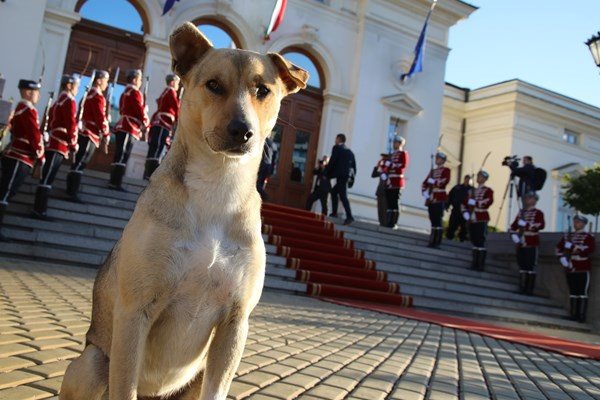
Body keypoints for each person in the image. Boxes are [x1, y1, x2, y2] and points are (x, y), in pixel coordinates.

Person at [0, 79, 44, 241]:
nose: (38, 95)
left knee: (6, 192)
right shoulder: (27, 109)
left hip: (19, 155)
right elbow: (33, 134)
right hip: (19, 156)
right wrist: (41, 154)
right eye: (36, 92)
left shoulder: (23, 108)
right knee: (5, 192)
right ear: (27, 92)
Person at [31, 74, 79, 220]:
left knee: (46, 177)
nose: (77, 89)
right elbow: (71, 123)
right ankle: (40, 210)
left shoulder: (58, 101)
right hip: (59, 144)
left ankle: (39, 209)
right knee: (47, 178)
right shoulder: (69, 101)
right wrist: (73, 142)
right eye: (76, 86)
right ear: (69, 86)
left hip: (52, 142)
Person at [67, 70, 110, 203]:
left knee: (78, 162)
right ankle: (72, 191)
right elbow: (99, 116)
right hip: (89, 133)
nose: (106, 84)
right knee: (80, 163)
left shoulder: (88, 95)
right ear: (98, 80)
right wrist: (105, 132)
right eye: (105, 80)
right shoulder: (97, 96)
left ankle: (71, 189)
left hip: (84, 132)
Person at [110, 69, 148, 191]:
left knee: (119, 154)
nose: (141, 81)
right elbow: (138, 109)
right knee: (123, 155)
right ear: (134, 79)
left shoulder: (124, 92)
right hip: (129, 127)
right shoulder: (135, 93)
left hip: (123, 124)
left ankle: (113, 180)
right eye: (139, 79)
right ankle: (116, 182)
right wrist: (145, 120)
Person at [556, 215, 595, 323]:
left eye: (578, 222)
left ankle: (581, 316)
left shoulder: (588, 237)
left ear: (583, 224)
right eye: (575, 221)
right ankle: (573, 314)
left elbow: (588, 250)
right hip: (570, 266)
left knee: (582, 293)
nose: (576, 224)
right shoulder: (568, 236)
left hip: (582, 267)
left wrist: (573, 246)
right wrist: (562, 259)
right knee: (573, 292)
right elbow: (558, 248)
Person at [144, 74, 180, 180]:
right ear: (172, 83)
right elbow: (176, 107)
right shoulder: (171, 92)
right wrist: (179, 119)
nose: (178, 86)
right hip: (163, 123)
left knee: (155, 147)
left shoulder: (165, 92)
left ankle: (148, 173)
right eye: (177, 83)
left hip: (160, 122)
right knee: (158, 147)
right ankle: (151, 173)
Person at [509, 192, 545, 295]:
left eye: (530, 198)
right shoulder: (521, 213)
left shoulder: (538, 213)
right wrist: (515, 237)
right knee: (522, 265)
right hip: (521, 242)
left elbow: (541, 225)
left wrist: (527, 225)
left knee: (530, 266)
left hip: (531, 241)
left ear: (535, 200)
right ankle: (522, 287)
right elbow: (513, 227)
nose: (528, 199)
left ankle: (529, 289)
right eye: (527, 198)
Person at [462, 171, 493, 270]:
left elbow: (488, 201)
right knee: (474, 240)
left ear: (484, 179)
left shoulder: (488, 190)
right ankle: (474, 263)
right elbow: (464, 203)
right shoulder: (471, 191)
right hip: (472, 217)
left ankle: (480, 264)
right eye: (478, 176)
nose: (479, 178)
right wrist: (465, 213)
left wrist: (476, 202)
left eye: (481, 176)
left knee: (480, 240)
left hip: (481, 216)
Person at [325, 133, 356, 225]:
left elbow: (332, 161)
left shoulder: (337, 148)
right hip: (346, 177)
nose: (335, 140)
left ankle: (349, 216)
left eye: (336, 138)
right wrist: (351, 179)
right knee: (334, 192)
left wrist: (326, 174)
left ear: (339, 139)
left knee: (343, 196)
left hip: (341, 176)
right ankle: (334, 213)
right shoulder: (350, 152)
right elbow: (354, 167)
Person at [422, 152, 450, 248]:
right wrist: (425, 193)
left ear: (443, 160)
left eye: (438, 158)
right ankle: (432, 240)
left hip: (439, 196)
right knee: (432, 219)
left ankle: (437, 241)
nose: (437, 159)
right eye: (436, 158)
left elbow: (445, 180)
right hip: (431, 198)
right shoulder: (432, 171)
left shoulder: (446, 170)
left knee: (438, 219)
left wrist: (434, 181)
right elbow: (424, 183)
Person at [380, 135, 409, 228]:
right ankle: (388, 221)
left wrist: (392, 164)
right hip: (389, 181)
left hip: (397, 180)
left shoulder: (403, 153)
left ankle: (394, 222)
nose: (393, 144)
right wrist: (384, 172)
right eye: (393, 142)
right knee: (389, 202)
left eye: (395, 142)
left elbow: (403, 165)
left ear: (400, 144)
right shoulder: (391, 154)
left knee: (395, 202)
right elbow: (385, 166)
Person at [446, 175, 472, 242]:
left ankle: (462, 240)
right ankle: (449, 238)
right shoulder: (457, 187)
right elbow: (450, 196)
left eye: (468, 179)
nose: (467, 180)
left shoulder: (472, 190)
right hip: (456, 210)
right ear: (464, 179)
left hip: (466, 212)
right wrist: (447, 205)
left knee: (464, 227)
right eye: (466, 178)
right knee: (452, 225)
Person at [371, 153, 390, 227]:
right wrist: (377, 166)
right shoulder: (382, 168)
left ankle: (385, 224)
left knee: (385, 209)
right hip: (380, 191)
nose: (383, 160)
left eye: (385, 158)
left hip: (386, 192)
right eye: (382, 158)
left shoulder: (389, 169)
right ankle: (381, 223)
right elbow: (373, 175)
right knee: (380, 209)